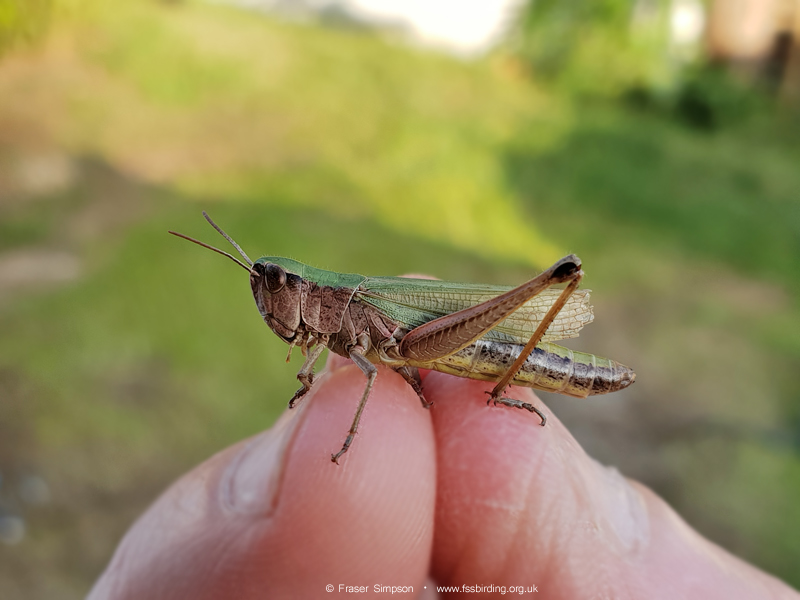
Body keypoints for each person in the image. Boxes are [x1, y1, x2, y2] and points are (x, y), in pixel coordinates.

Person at [88, 353, 799, 599]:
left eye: (279, 287)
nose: (271, 298)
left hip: (473, 337)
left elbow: (370, 366)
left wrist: (348, 433)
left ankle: (503, 381)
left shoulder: (352, 312)